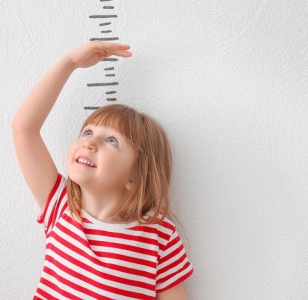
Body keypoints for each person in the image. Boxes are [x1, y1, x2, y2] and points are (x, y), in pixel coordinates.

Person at [12, 41, 194, 300]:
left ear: (135, 176)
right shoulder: (61, 206)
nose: (89, 142)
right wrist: (69, 64)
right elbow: (23, 128)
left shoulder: (158, 235)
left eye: (111, 141)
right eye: (88, 132)